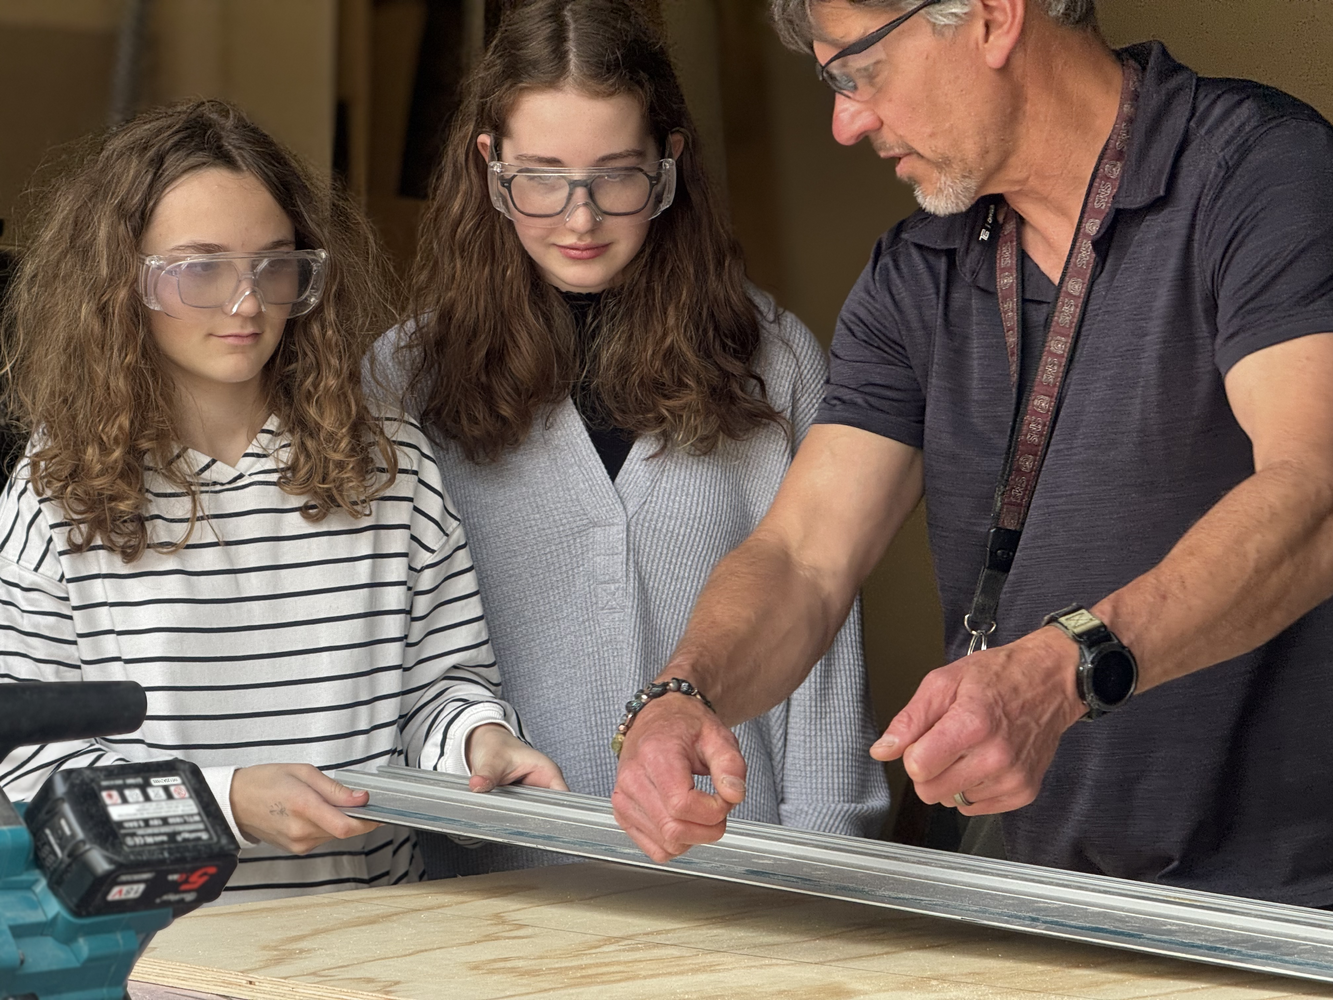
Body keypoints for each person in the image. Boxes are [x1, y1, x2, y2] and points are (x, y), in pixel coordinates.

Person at [610, 0, 1333, 908]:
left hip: (1291, 905)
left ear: (992, 18)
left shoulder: (1263, 173)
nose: (844, 122)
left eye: (856, 71)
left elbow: (1315, 489)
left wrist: (1064, 669)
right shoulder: (915, 271)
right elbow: (802, 557)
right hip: (1046, 901)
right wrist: (684, 692)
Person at [0, 101, 565, 902]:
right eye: (200, 268)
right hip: (154, 961)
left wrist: (478, 742)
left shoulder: (390, 464)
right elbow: (32, 769)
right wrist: (227, 802)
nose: (246, 304)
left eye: (273, 265)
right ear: (119, 284)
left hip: (368, 947)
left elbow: (442, 688)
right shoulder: (55, 494)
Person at [385, 0, 889, 873]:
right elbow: (389, 665)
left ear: (669, 164)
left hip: (739, 877)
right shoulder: (405, 379)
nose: (579, 220)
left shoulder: (771, 361)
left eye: (616, 177)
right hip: (494, 894)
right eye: (540, 178)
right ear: (487, 164)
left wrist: (827, 874)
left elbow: (822, 656)